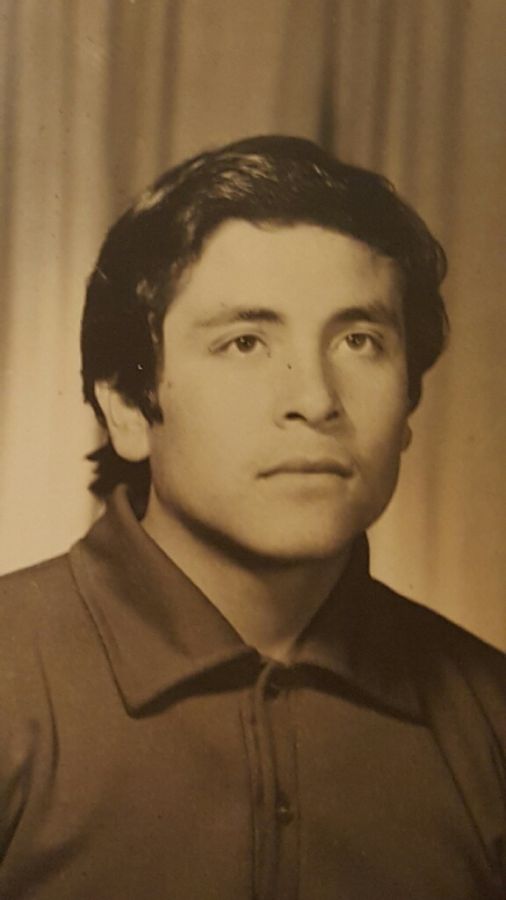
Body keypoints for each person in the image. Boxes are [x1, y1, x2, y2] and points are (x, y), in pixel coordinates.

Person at [0, 135, 504, 900]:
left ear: (408, 408)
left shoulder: (489, 719)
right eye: (245, 342)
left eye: (359, 340)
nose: (315, 399)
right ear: (128, 406)